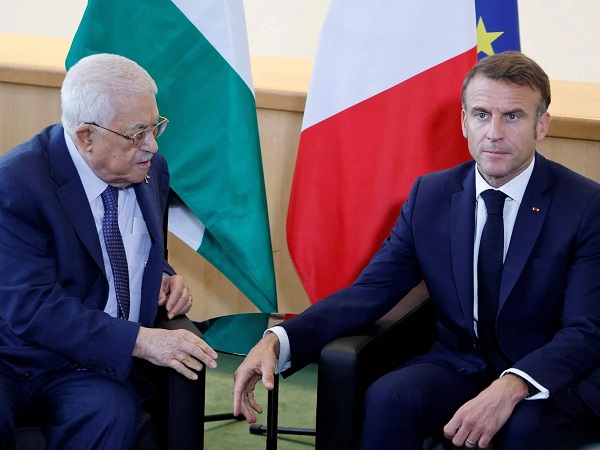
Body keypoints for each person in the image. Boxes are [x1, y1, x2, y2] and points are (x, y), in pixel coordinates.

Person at [233, 51, 600, 449]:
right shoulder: (431, 195)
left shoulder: (584, 206)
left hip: (553, 377)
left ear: (541, 125)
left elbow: (586, 330)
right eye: (481, 115)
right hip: (462, 362)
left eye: (512, 116)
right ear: (464, 121)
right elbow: (370, 292)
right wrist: (278, 339)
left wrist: (513, 385)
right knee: (391, 398)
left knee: (520, 429)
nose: (494, 132)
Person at [0, 53, 218, 449]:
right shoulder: (17, 183)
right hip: (13, 355)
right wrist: (141, 340)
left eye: (155, 126)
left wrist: (163, 276)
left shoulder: (150, 170)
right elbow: (32, 307)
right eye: (137, 134)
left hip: (87, 364)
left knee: (112, 413)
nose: (151, 145)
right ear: (86, 135)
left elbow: (130, 247)